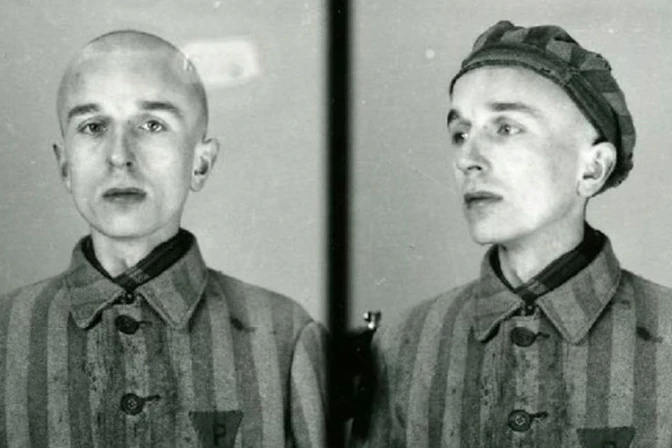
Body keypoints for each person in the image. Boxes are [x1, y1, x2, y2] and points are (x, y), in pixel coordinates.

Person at [0, 30, 326, 447]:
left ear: (200, 163)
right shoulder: (8, 334)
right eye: (93, 126)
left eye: (152, 124)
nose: (119, 156)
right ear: (65, 166)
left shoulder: (284, 337)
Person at [354, 21, 672, 447]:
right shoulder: (403, 343)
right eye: (460, 133)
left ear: (593, 169)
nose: (467, 158)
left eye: (506, 128)